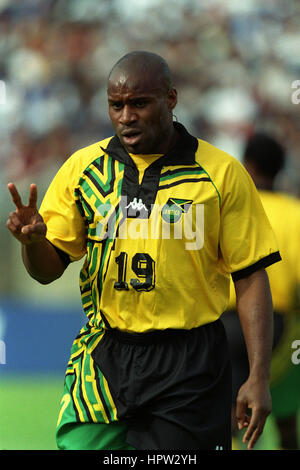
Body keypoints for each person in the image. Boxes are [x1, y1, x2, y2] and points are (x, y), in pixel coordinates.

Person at [6, 51, 281, 451]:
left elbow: (252, 275)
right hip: (104, 356)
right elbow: (46, 270)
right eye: (116, 105)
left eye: (139, 103)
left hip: (190, 363)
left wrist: (259, 376)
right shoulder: (83, 169)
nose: (126, 116)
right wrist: (32, 244)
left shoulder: (221, 173)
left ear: (170, 99)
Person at [222, 132, 300, 449]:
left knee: (231, 411)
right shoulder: (294, 213)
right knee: (284, 408)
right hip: (278, 325)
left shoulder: (231, 207)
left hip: (226, 322)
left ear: (248, 165)